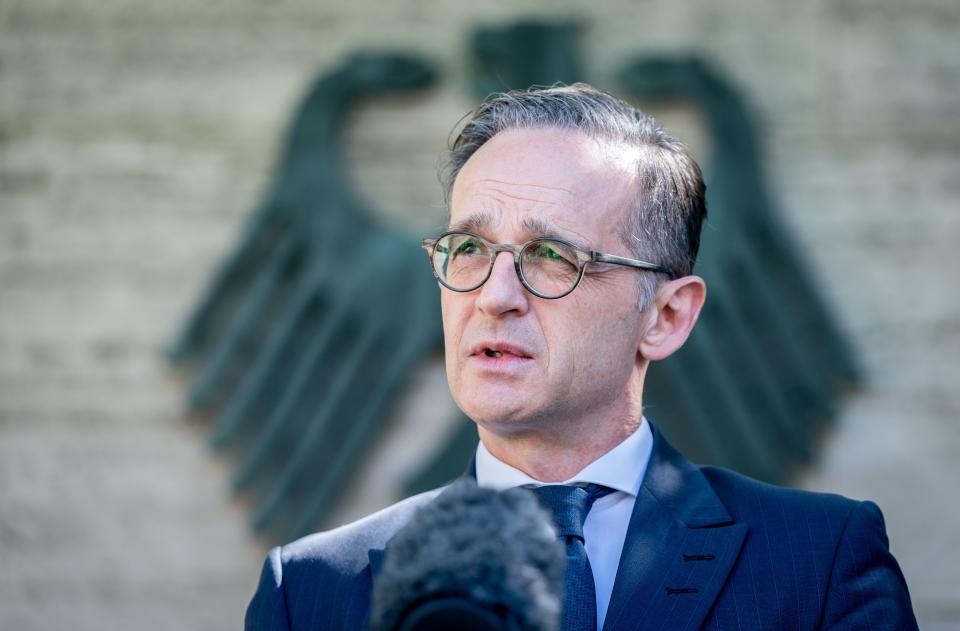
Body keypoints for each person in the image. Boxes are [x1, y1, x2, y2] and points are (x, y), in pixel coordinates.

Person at [245, 84, 917, 630]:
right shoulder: (310, 591)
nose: (492, 296)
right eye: (470, 249)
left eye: (550, 256)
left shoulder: (820, 561)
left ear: (666, 316)